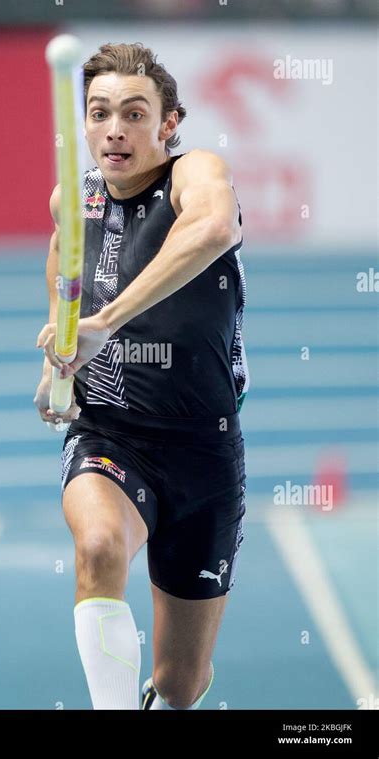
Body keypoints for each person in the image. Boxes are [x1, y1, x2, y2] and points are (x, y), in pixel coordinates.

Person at [34, 42, 249, 710]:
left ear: (168, 122)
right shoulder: (72, 203)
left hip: (204, 447)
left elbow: (213, 227)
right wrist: (55, 369)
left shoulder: (197, 173)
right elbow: (64, 318)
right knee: (98, 547)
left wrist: (111, 321)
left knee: (182, 683)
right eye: (99, 113)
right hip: (111, 435)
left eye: (134, 112)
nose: (115, 129)